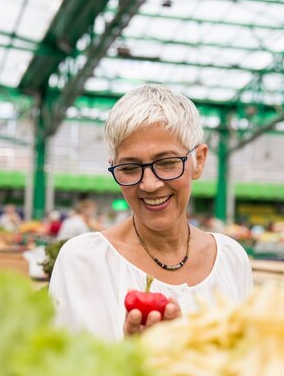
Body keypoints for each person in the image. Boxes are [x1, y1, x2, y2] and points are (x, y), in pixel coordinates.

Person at [49, 84, 253, 341]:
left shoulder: (231, 258)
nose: (149, 184)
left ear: (198, 161)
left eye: (167, 163)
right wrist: (133, 359)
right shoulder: (85, 261)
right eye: (130, 168)